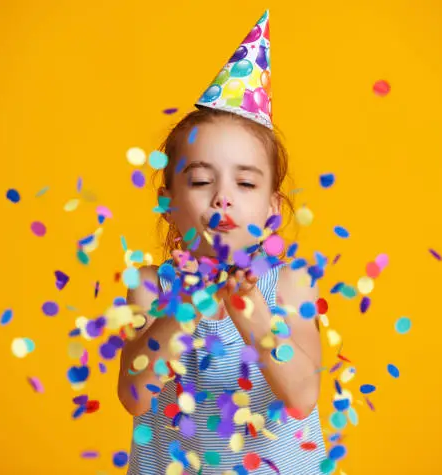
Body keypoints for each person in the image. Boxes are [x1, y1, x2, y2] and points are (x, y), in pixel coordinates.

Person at [118, 10, 326, 474]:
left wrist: (250, 310)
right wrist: (185, 307)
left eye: (245, 184)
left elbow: (302, 395)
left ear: (273, 208)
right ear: (167, 202)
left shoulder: (290, 285)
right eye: (200, 180)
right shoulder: (151, 287)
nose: (223, 198)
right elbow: (133, 396)